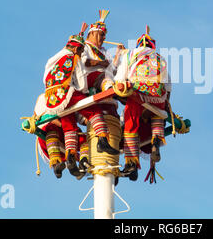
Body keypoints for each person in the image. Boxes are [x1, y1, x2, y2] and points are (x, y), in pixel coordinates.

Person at [43, 32, 119, 179]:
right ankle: (102, 140)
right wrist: (83, 92)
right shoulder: (74, 57)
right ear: (77, 48)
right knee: (93, 111)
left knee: (69, 125)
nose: (81, 52)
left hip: (51, 98)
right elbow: (80, 79)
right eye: (80, 50)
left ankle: (71, 157)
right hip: (66, 92)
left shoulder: (55, 58)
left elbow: (46, 76)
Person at [112, 25, 172, 180]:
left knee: (130, 121)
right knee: (158, 114)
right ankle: (156, 141)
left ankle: (131, 164)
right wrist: (164, 104)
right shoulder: (160, 58)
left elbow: (119, 79)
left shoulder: (130, 54)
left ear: (138, 44)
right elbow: (168, 87)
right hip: (158, 96)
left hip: (139, 94)